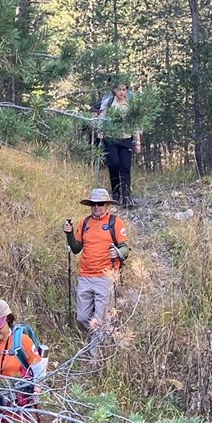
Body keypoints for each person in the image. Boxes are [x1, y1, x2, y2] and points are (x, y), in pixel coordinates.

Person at [64, 188, 130, 334]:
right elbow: (76, 248)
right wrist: (69, 234)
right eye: (93, 204)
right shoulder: (84, 222)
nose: (96, 207)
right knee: (82, 318)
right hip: (85, 277)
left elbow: (125, 248)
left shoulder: (115, 222)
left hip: (105, 277)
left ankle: (95, 355)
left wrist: (118, 252)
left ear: (107, 205)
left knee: (100, 321)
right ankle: (98, 340)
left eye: (100, 204)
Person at [97, 82, 142, 206]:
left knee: (125, 167)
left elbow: (135, 124)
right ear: (114, 90)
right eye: (119, 89)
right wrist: (100, 132)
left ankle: (126, 196)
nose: (121, 92)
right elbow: (102, 117)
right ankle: (116, 194)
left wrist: (137, 143)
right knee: (113, 164)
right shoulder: (109, 102)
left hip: (126, 139)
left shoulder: (131, 104)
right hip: (111, 138)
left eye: (124, 89)